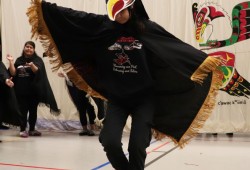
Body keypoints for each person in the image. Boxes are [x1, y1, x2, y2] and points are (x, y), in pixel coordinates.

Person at [27, 0, 223, 169]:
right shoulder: (101, 27)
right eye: (116, 11)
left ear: (132, 7)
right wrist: (45, 7)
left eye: (123, 10)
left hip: (144, 99)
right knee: (109, 141)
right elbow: (73, 18)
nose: (120, 15)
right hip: (117, 99)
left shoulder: (146, 28)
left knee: (137, 145)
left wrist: (207, 63)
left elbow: (174, 47)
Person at [7, 41, 60, 138]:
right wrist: (11, 61)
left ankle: (32, 129)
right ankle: (22, 130)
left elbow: (38, 71)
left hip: (33, 92)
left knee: (33, 111)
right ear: (24, 48)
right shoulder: (19, 60)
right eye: (27, 47)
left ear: (34, 50)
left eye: (31, 47)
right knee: (22, 111)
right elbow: (13, 73)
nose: (29, 49)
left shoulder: (37, 60)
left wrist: (32, 65)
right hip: (21, 92)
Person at [58, 71, 96, 136]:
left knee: (90, 108)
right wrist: (65, 76)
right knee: (81, 110)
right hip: (79, 93)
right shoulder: (75, 71)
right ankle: (84, 129)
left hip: (88, 91)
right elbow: (71, 83)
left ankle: (92, 129)